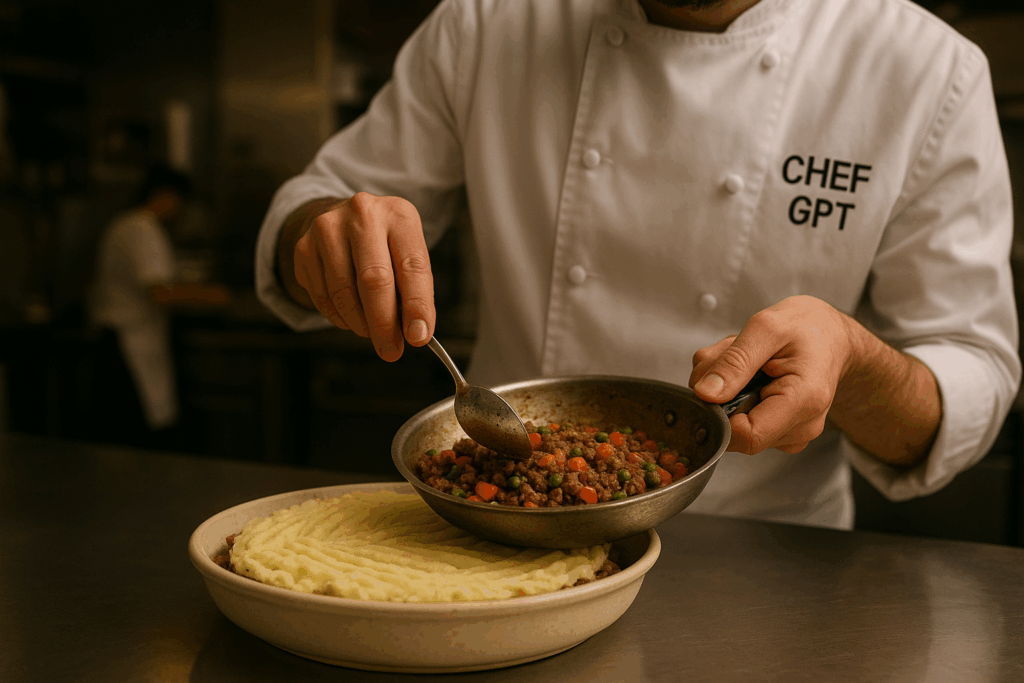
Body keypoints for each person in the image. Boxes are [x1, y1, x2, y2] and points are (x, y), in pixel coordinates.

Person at [254, 0, 1020, 528]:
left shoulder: (925, 69)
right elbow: (316, 201)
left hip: (763, 554)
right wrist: (322, 237)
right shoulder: (487, 20)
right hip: (495, 537)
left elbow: (973, 367)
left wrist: (852, 364)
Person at [88, 163, 228, 445]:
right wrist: (220, 298)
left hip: (118, 342)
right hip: (128, 348)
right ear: (166, 195)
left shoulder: (125, 223)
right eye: (181, 201)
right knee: (132, 442)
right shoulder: (142, 227)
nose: (181, 211)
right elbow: (163, 294)